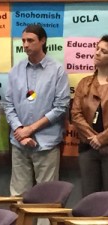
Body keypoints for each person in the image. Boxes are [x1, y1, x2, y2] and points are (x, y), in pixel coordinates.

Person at [4, 24, 70, 196]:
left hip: (46, 143)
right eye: (23, 40)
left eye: (30, 40)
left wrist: (30, 129)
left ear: (42, 41)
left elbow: (61, 107)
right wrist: (20, 130)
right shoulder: (15, 71)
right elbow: (8, 105)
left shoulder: (57, 70)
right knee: (18, 196)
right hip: (19, 143)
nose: (25, 45)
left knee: (47, 198)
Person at [71, 35, 108, 197]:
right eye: (97, 49)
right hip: (88, 148)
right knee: (89, 198)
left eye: (104, 51)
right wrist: (94, 138)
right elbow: (76, 114)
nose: (97, 53)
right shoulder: (84, 83)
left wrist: (102, 139)